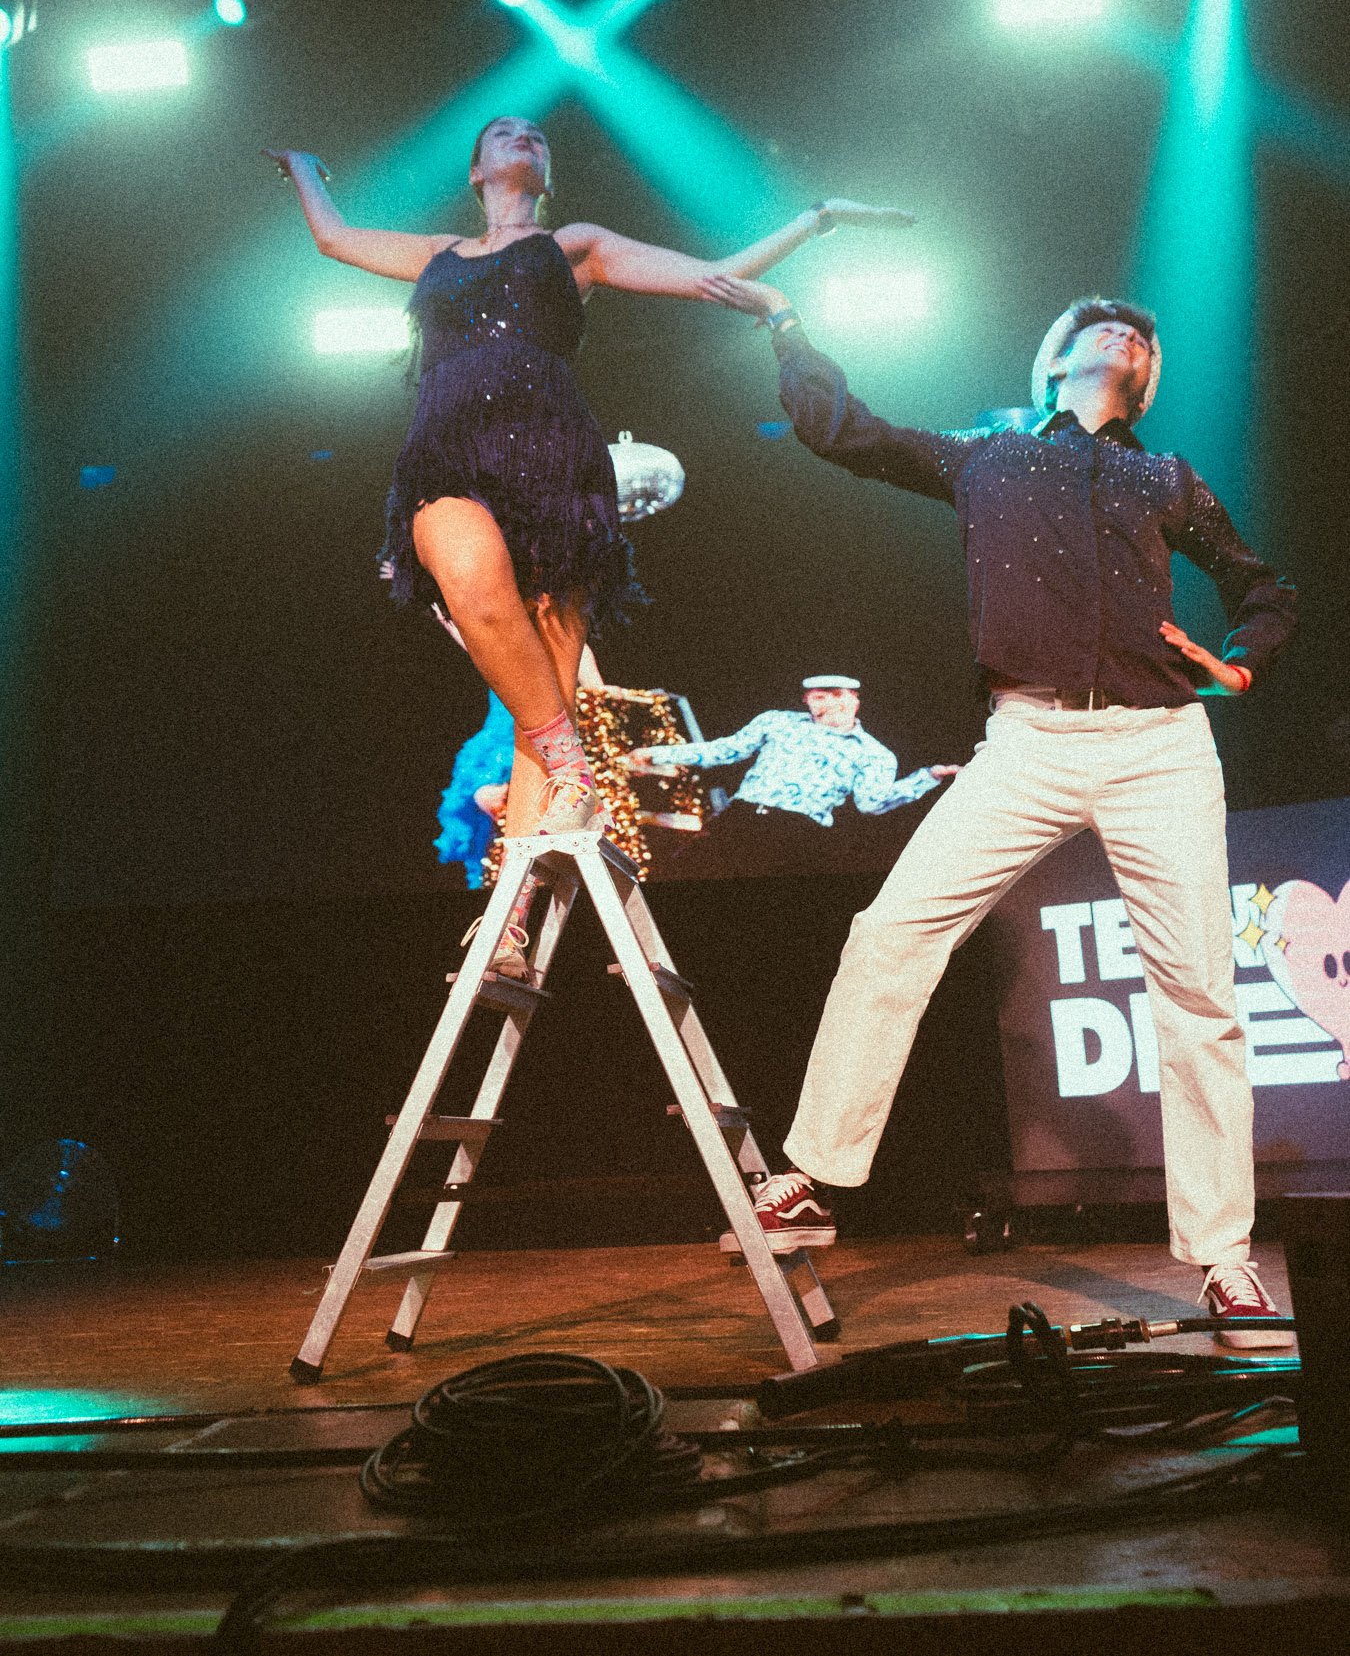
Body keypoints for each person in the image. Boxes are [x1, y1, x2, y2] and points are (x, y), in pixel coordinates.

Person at [700, 275, 1297, 1342]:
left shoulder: (1165, 474)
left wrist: (1239, 661)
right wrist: (785, 323)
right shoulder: (988, 453)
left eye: (1139, 336)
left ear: (1148, 377)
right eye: (1101, 325)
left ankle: (1224, 1257)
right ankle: (816, 1177)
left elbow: (1264, 584)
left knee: (1199, 995)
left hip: (1160, 747)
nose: (1125, 334)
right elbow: (845, 431)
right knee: (890, 932)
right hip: (1027, 741)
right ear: (1057, 356)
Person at [266, 121, 914, 967]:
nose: (523, 137)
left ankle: (510, 919)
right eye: (504, 132)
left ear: (547, 171)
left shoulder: (575, 245)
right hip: (447, 447)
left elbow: (718, 274)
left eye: (536, 136)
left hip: (554, 463)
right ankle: (577, 774)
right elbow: (334, 237)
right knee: (467, 579)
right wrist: (304, 167)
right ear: (476, 169)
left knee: (540, 703)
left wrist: (815, 219)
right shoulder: (437, 253)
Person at [627, 676, 957, 874]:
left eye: (821, 698)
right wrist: (657, 753)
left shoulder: (874, 754)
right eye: (810, 698)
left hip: (797, 833)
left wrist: (928, 777)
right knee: (689, 869)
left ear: (847, 700)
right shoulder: (778, 721)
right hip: (743, 817)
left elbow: (871, 803)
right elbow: (725, 750)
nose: (812, 704)